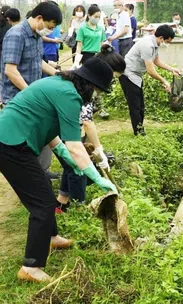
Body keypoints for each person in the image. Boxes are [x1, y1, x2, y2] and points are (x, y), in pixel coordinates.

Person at [0, 59, 117, 283]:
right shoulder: (70, 96)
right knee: (42, 205)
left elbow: (50, 130)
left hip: (12, 139)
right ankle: (31, 267)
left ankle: (51, 237)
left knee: (44, 191)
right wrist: (95, 176)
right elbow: (75, 146)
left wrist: (66, 158)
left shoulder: (58, 85)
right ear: (90, 85)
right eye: (99, 90)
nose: (97, 96)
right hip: (11, 144)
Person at [56, 45, 126, 213]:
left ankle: (61, 204)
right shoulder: (85, 84)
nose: (113, 81)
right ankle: (78, 210)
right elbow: (87, 122)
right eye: (114, 77)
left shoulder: (87, 79)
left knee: (70, 165)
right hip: (63, 128)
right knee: (77, 167)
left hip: (68, 128)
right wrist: (99, 149)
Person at [0, 2, 64, 179]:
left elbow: (38, 61)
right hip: (17, 98)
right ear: (39, 18)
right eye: (49, 26)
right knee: (22, 141)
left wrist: (58, 74)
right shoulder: (16, 35)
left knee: (42, 131)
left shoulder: (36, 35)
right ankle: (27, 178)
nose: (49, 31)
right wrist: (32, 93)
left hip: (32, 95)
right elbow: (10, 71)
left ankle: (42, 172)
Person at [119, 24, 180, 136]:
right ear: (161, 37)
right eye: (167, 42)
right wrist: (164, 81)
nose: (167, 44)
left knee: (141, 106)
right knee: (136, 107)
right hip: (128, 74)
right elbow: (150, 70)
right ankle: (138, 133)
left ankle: (140, 130)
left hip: (136, 75)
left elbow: (156, 61)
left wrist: (172, 69)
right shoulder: (147, 45)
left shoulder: (154, 44)